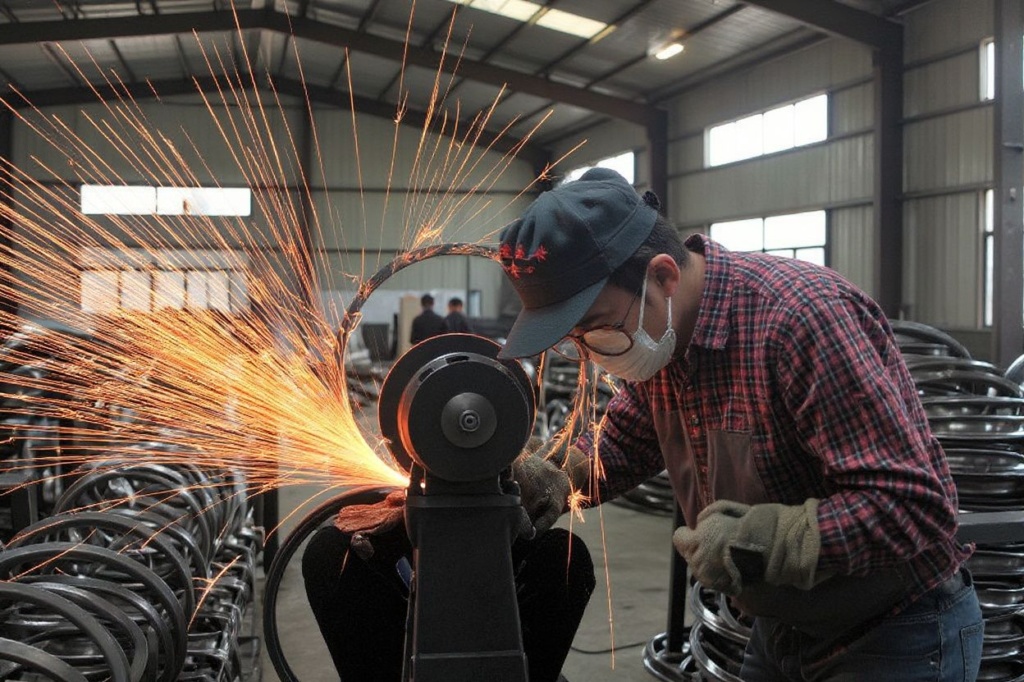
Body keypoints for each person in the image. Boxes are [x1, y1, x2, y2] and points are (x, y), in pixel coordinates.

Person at [495, 167, 983, 681]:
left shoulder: (799, 321)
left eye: (598, 327)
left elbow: (916, 505)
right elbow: (626, 438)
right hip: (778, 627)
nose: (591, 354)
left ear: (663, 276)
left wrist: (770, 540)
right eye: (575, 339)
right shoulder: (663, 337)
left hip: (895, 632)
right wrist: (557, 471)